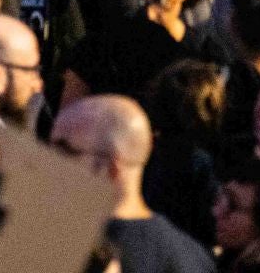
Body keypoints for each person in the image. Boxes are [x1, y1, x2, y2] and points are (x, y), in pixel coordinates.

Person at [52, 96, 215, 273]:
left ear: (111, 168)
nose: (46, 159)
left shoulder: (61, 246)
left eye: (63, 151)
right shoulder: (194, 257)